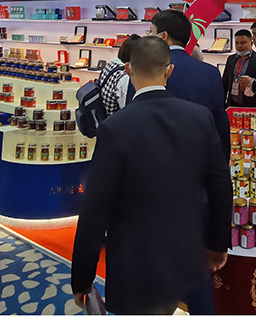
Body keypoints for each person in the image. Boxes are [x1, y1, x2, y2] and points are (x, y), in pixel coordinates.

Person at [71, 36, 232, 315]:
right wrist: (218, 244)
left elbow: (95, 210)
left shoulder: (115, 128)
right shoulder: (200, 116)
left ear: (129, 70)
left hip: (135, 264)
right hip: (189, 252)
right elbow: (220, 185)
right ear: (169, 71)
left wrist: (82, 278)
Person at [148, 10, 230, 159]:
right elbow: (220, 124)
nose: (148, 36)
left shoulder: (147, 70)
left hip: (157, 156)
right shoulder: (211, 72)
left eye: (151, 32)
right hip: (200, 156)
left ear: (164, 36)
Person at [99, 34, 140, 115]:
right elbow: (126, 108)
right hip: (116, 119)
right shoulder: (125, 77)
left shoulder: (110, 65)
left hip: (105, 115)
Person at [221, 29, 256, 108]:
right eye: (237, 43)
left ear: (251, 43)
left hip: (251, 104)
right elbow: (225, 82)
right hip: (232, 103)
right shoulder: (231, 59)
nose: (239, 46)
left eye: (243, 43)